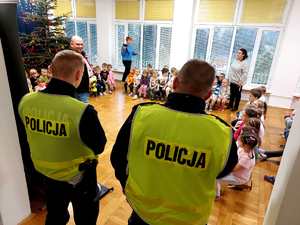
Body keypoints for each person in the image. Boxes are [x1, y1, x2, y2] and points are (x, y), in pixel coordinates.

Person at [111, 59, 238, 225]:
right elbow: (223, 171)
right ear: (208, 95)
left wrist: (124, 182)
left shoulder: (140, 115)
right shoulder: (223, 133)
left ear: (175, 81)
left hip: (143, 212)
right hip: (191, 219)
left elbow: (118, 157)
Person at [18, 50, 107, 225]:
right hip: (79, 177)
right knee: (86, 218)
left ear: (51, 69)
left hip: (47, 175)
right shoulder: (82, 111)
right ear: (79, 74)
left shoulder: (26, 101)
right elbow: (99, 146)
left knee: (56, 216)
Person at [70, 35, 92, 103]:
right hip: (76, 91)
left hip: (85, 89)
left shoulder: (82, 55)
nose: (80, 46)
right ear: (71, 44)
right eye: (77, 44)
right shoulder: (68, 57)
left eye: (81, 44)